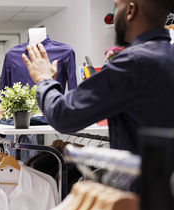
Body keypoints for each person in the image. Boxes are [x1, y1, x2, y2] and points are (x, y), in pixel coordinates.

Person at [22, 0, 174, 154]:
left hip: (146, 176)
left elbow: (63, 115)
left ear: (130, 11)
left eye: (116, 6)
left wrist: (44, 79)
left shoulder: (132, 64)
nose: (114, 16)